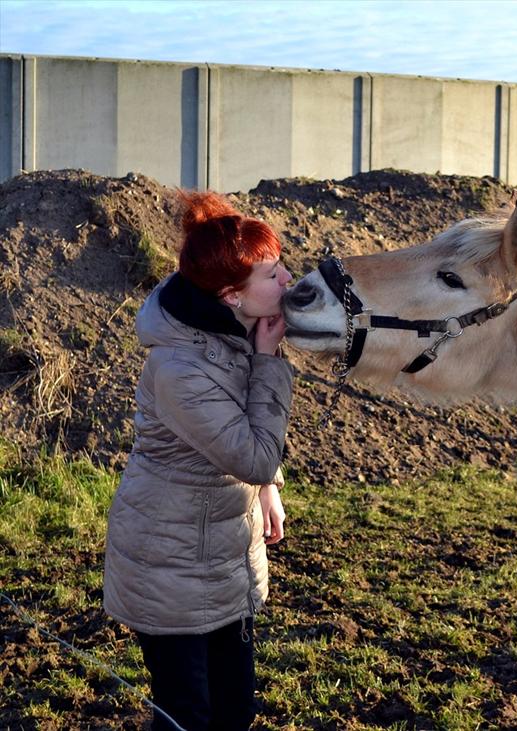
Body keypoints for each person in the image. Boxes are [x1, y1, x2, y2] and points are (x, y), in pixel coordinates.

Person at [102, 190, 294, 731]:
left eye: (281, 268)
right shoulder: (179, 369)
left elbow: (248, 441)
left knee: (235, 711)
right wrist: (268, 361)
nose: (287, 283)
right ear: (232, 294)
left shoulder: (225, 328)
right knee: (188, 716)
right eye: (272, 275)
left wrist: (268, 487)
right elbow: (254, 451)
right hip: (169, 563)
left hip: (224, 549)